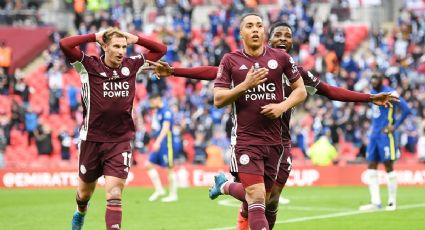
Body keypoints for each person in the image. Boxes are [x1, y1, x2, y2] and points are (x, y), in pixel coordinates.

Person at [147, 21, 398, 229]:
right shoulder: (254, 63)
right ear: (269, 37)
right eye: (277, 34)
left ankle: (224, 185)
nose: (281, 38)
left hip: (281, 141)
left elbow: (331, 91)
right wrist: (176, 71)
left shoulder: (295, 71)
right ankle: (233, 201)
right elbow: (214, 71)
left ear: (291, 43)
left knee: (271, 200)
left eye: (287, 36)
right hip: (250, 135)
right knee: (256, 197)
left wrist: (370, 98)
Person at [59, 27, 166, 230]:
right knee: (84, 194)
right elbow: (64, 44)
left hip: (120, 141)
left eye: (124, 47)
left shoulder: (132, 65)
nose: (121, 51)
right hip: (91, 139)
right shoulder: (88, 65)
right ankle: (81, 212)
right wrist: (93, 36)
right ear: (104, 46)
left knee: (114, 193)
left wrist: (137, 39)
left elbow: (161, 49)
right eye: (116, 46)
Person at [213, 13, 307, 230]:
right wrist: (245, 85)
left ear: (264, 32)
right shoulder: (230, 60)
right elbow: (218, 99)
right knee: (255, 196)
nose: (255, 30)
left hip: (275, 142)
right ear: (241, 33)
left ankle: (225, 186)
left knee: (263, 198)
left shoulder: (281, 59)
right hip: (246, 140)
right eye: (249, 26)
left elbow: (301, 91)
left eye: (259, 26)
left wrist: (282, 106)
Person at [359, 73, 412, 212]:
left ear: (382, 80)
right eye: (372, 79)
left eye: (375, 79)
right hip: (374, 135)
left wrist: (394, 126)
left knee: (388, 165)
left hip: (385, 135)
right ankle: (375, 202)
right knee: (371, 165)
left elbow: (407, 110)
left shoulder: (390, 93)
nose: (373, 81)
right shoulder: (372, 93)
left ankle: (391, 202)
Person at [145, 93, 179, 202]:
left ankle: (173, 195)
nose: (151, 104)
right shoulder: (158, 112)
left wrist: (158, 142)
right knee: (148, 165)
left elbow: (166, 128)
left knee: (169, 169)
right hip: (159, 143)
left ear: (157, 99)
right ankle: (159, 190)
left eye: (151, 102)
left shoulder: (166, 111)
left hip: (166, 144)